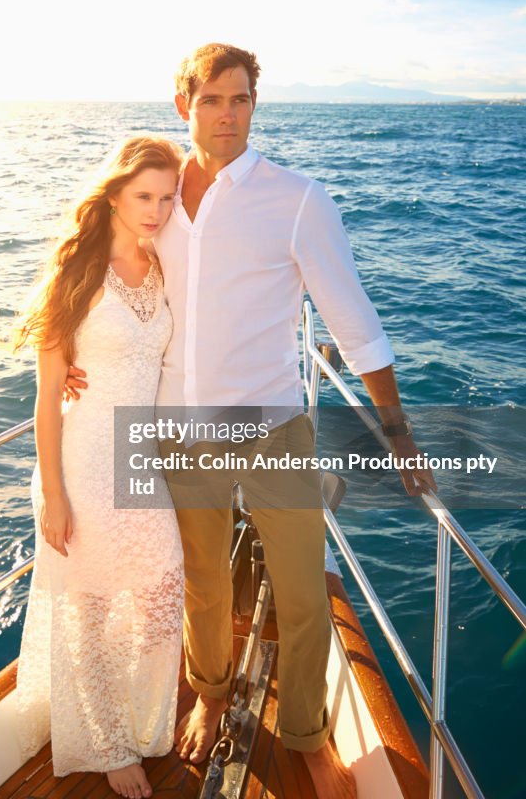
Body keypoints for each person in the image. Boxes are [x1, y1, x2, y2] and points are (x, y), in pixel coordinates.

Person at [67, 44, 437, 799]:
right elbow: (95, 261)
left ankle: (303, 734)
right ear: (184, 106)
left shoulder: (297, 198)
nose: (226, 115)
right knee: (202, 580)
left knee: (302, 589)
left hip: (270, 424)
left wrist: (396, 434)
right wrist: (71, 354)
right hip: (178, 427)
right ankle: (207, 698)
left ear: (254, 106)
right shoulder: (158, 193)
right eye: (211, 100)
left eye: (239, 100)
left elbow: (354, 321)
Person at [11, 136, 186, 799]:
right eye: (143, 196)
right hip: (81, 463)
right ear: (113, 194)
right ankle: (109, 746)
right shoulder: (75, 274)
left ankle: (140, 724)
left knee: (157, 595)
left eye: (167, 198)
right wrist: (53, 496)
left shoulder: (166, 263)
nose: (156, 210)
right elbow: (47, 399)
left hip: (139, 458)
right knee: (86, 606)